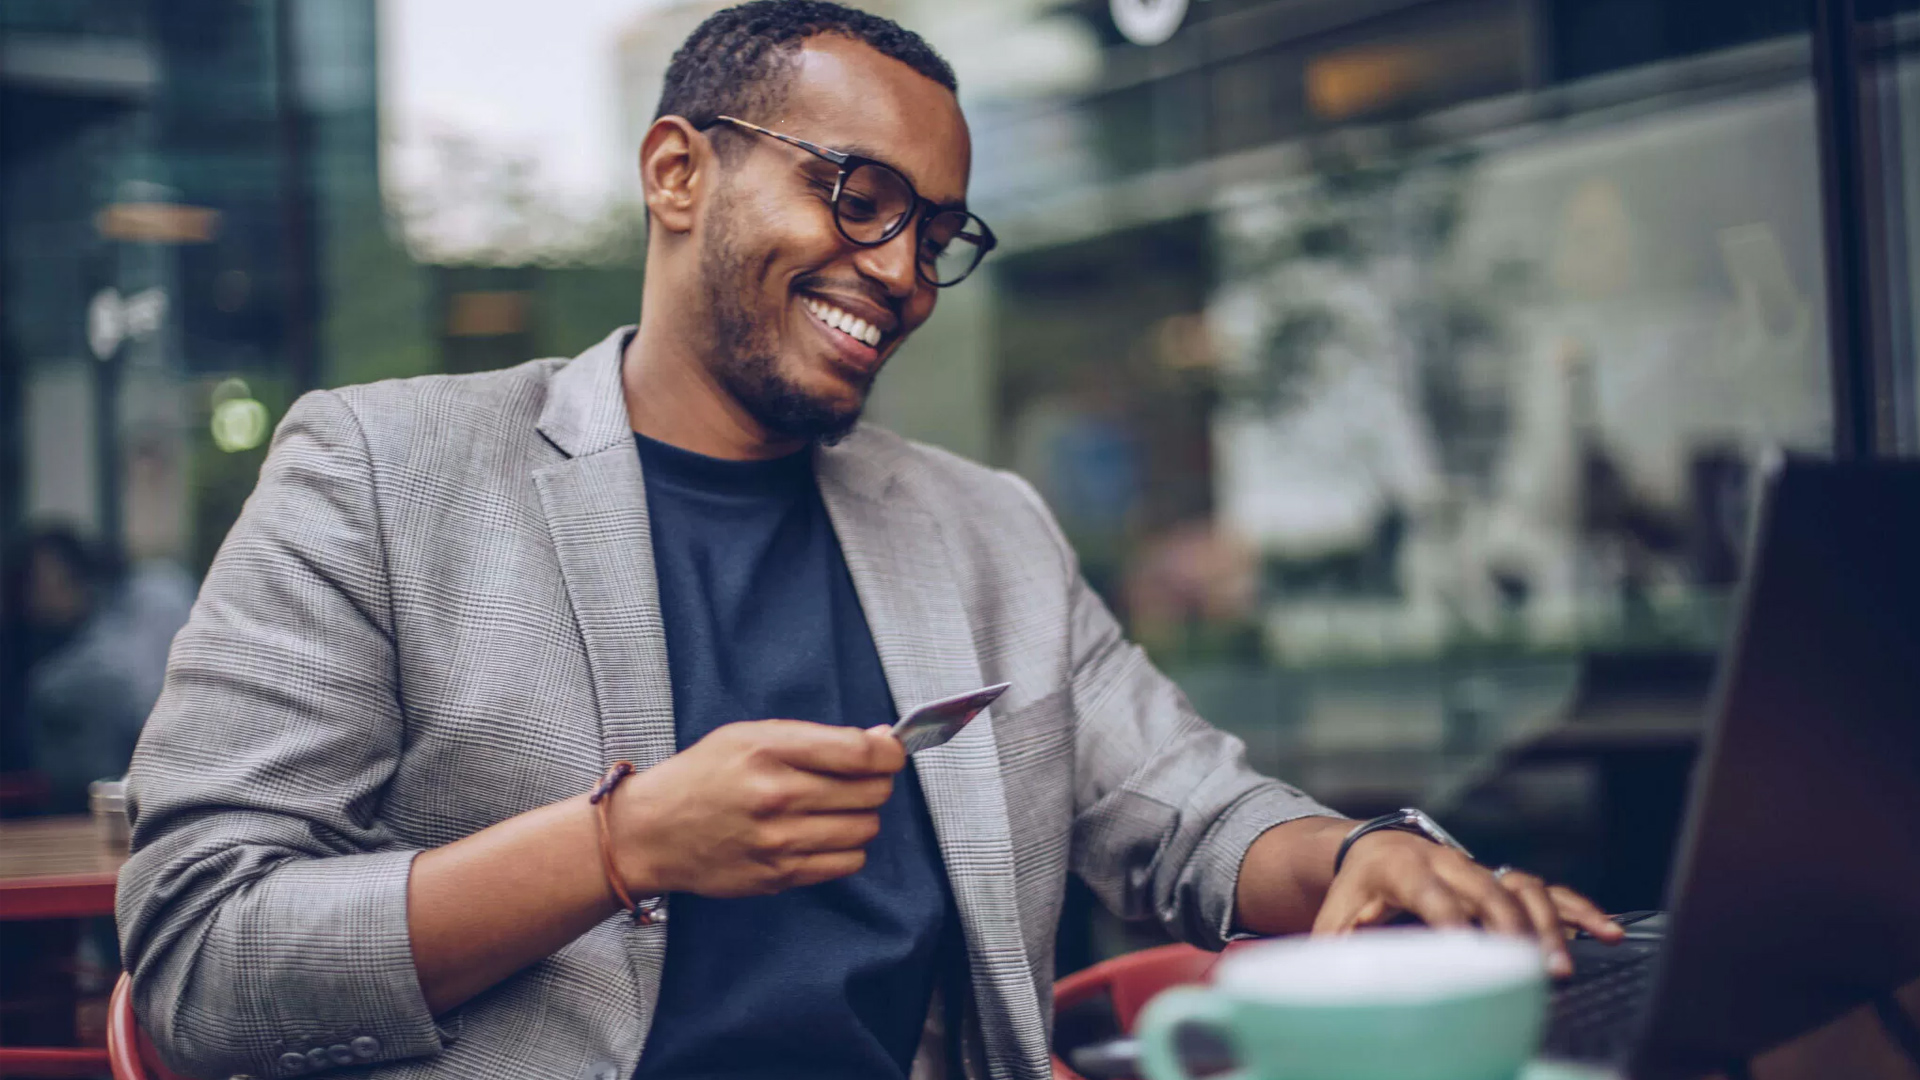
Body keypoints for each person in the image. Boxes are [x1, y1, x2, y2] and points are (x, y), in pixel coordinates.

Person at [116, 4, 1622, 1078]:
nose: (899, 271)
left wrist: (1362, 861)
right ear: (678, 174)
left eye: (937, 231)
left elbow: (1187, 812)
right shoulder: (385, 471)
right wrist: (620, 846)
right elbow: (201, 960)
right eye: (858, 195)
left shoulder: (982, 532)